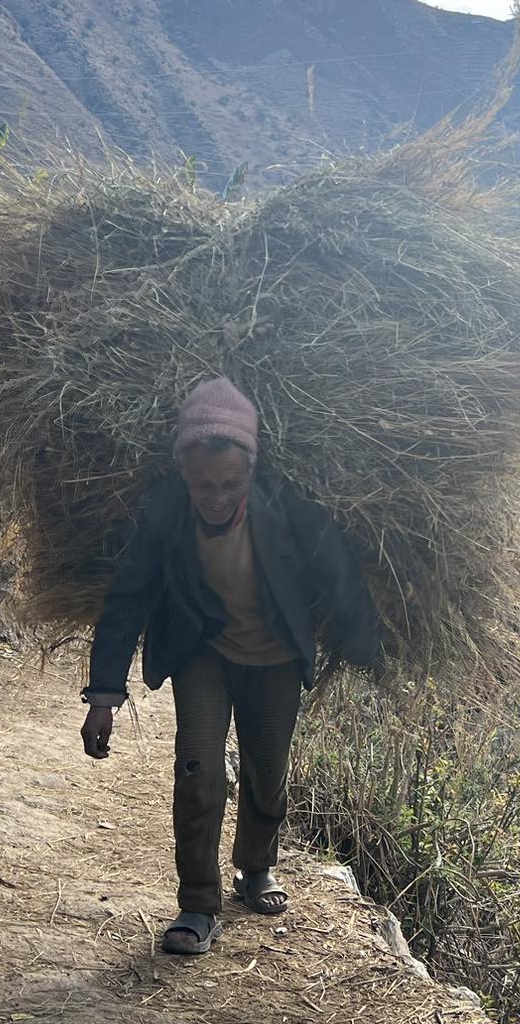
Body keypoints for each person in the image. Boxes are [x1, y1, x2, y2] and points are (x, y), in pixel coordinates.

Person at [80, 376, 381, 956]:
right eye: (202, 485)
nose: (216, 497)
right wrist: (103, 697)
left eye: (229, 483)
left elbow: (339, 577)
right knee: (198, 766)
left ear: (251, 471)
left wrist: (368, 650)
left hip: (275, 656)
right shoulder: (166, 512)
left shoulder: (287, 508)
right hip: (204, 652)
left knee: (268, 770)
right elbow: (127, 600)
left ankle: (254, 867)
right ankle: (197, 902)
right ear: (182, 474)